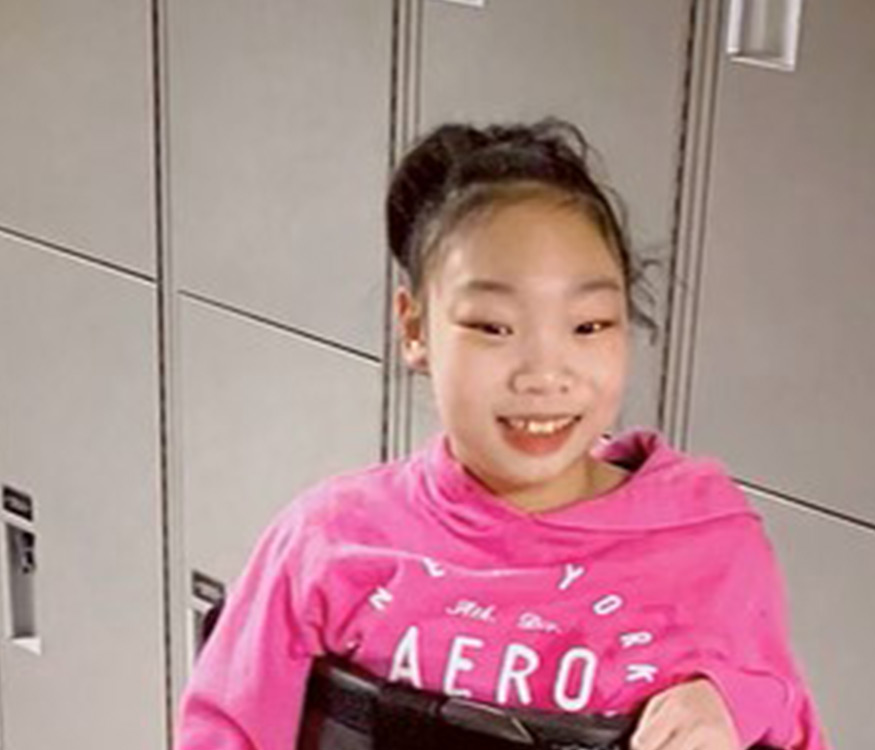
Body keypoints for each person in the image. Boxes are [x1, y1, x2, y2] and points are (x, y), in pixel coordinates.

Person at [176, 119, 829, 750]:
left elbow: (786, 713)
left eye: (590, 325)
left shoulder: (707, 548)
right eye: (493, 327)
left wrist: (736, 701)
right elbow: (225, 730)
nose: (546, 374)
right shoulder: (330, 541)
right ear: (414, 328)